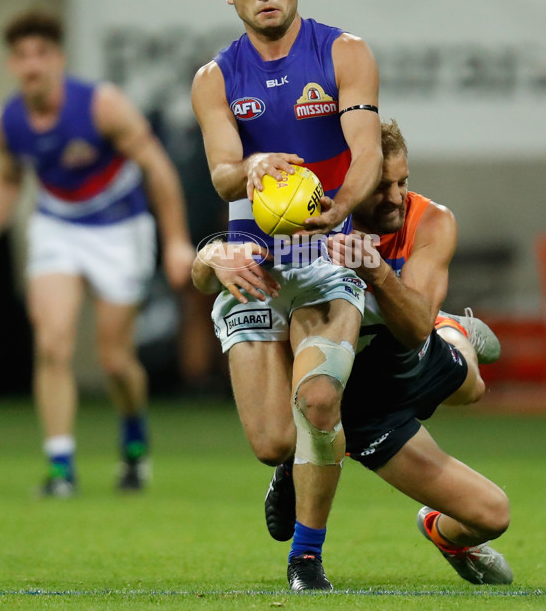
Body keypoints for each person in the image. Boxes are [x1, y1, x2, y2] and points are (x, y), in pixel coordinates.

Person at [193, 120, 513, 587]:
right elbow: (239, 277)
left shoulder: (430, 221)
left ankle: (455, 328)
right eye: (381, 186)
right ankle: (300, 454)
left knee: (473, 390)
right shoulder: (301, 224)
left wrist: (378, 272)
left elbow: (415, 330)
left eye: (402, 182)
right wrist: (213, 255)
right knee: (492, 511)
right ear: (345, 182)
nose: (397, 196)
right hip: (362, 407)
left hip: (408, 358)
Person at [191, 0, 382, 591]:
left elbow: (365, 154)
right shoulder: (214, 77)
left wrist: (335, 209)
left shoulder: (343, 53)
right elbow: (220, 171)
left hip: (327, 246)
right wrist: (251, 166)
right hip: (252, 256)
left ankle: (306, 556)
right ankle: (287, 465)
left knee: (321, 400)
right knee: (273, 439)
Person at [0, 10, 195, 497]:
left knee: (114, 359)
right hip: (57, 227)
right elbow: (10, 179)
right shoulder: (7, 122)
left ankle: (133, 437)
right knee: (52, 344)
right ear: (12, 64)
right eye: (21, 56)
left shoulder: (102, 105)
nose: (32, 65)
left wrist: (176, 240)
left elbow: (157, 168)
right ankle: (61, 467)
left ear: (58, 58)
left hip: (120, 230)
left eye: (41, 53)